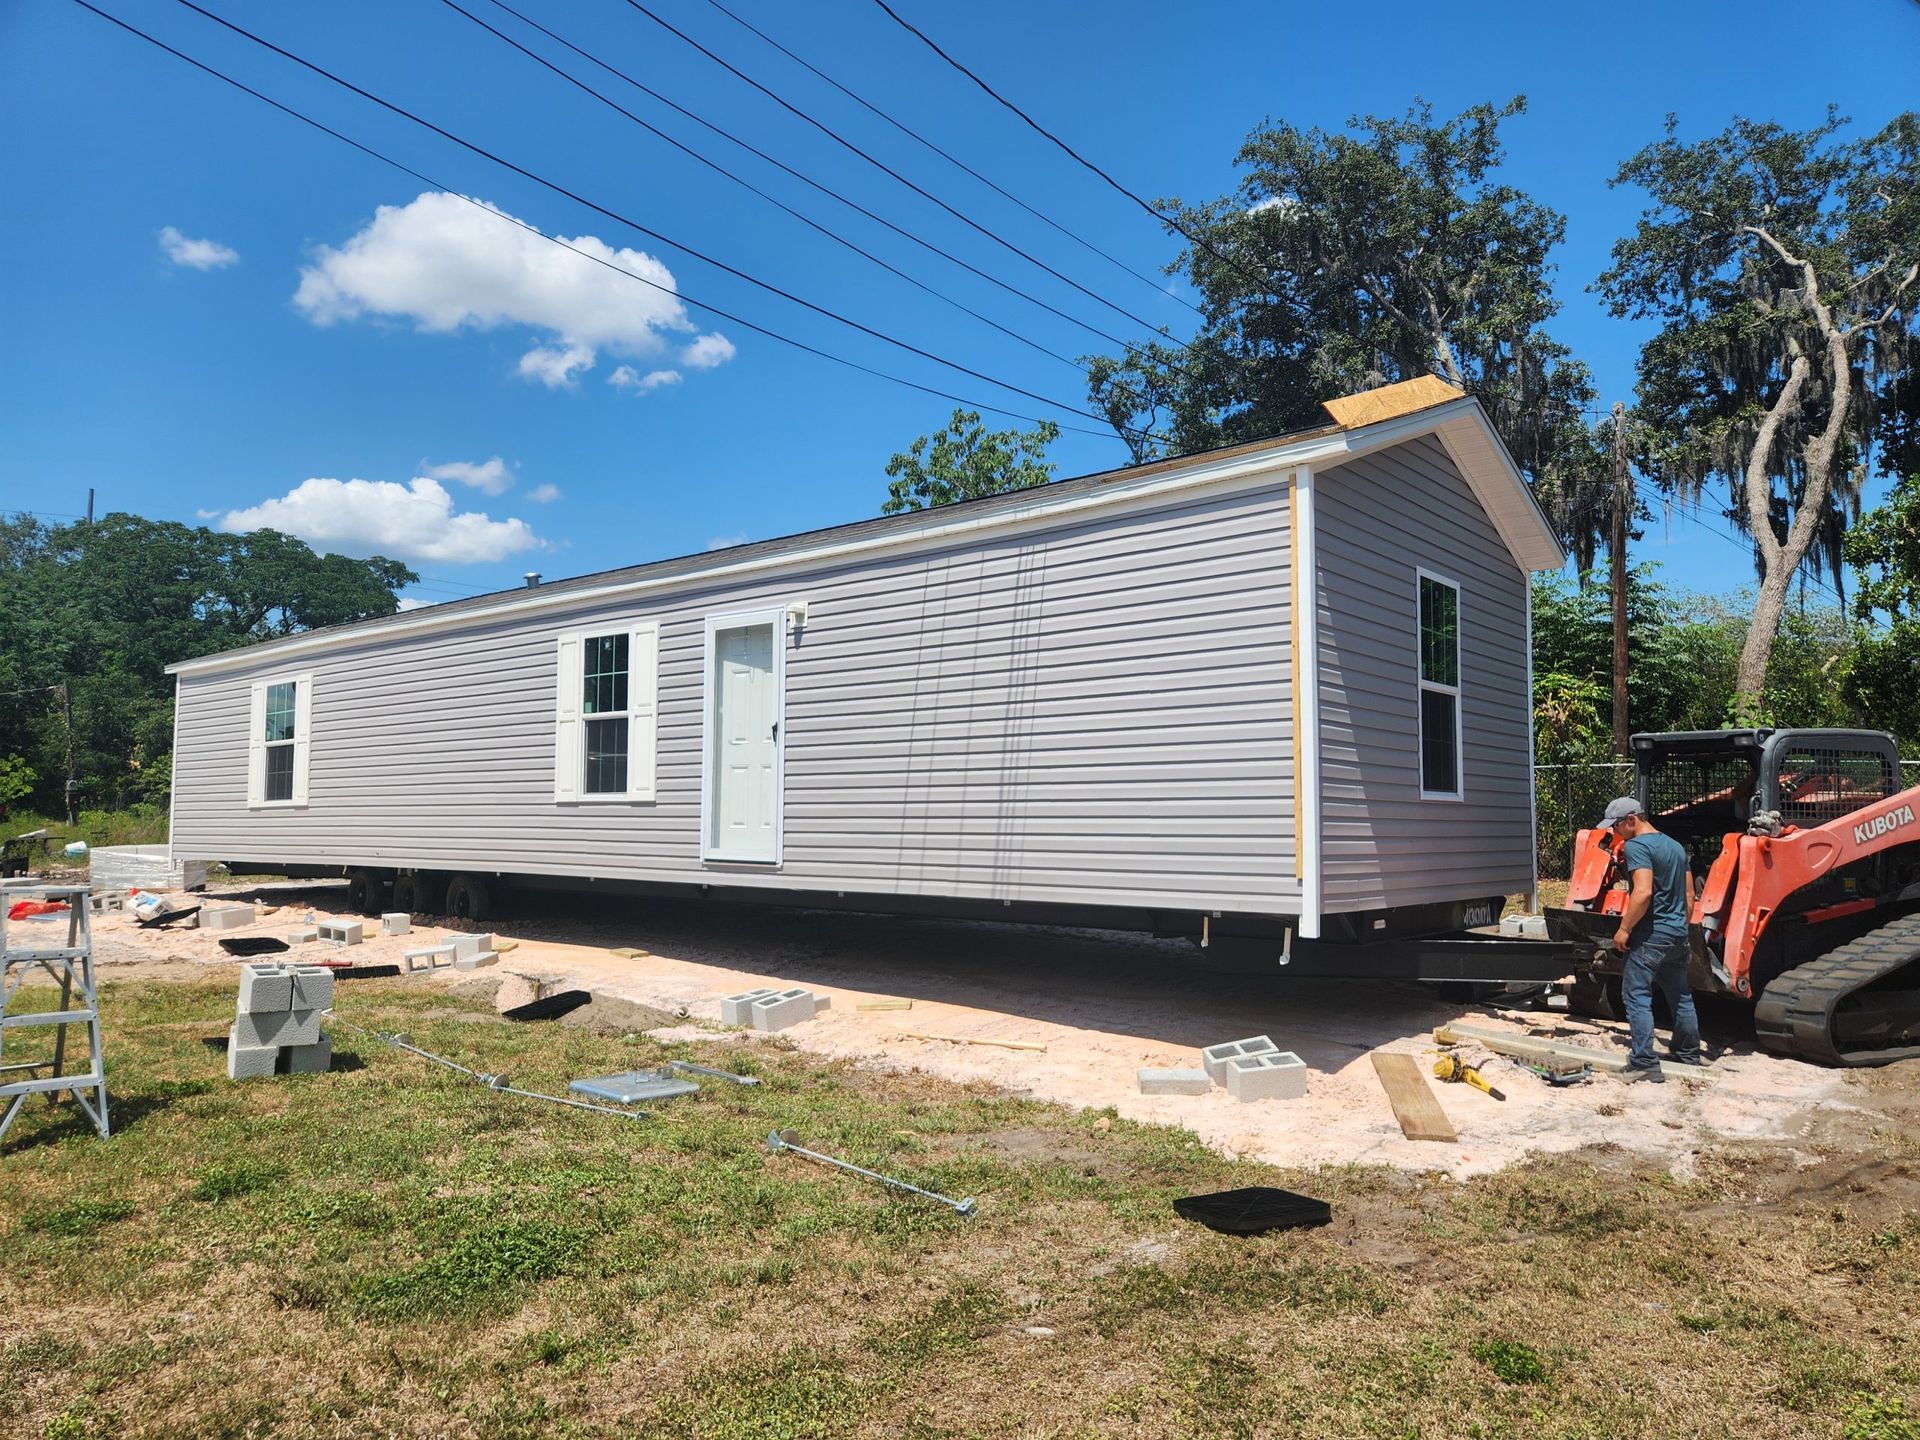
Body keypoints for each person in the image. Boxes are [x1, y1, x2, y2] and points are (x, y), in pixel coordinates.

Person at [1599, 796, 1703, 1081]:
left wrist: (1624, 929)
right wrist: (1678, 925)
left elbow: (1642, 892)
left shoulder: (1637, 846)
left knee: (1636, 994)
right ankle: (1688, 1055)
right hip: (1677, 934)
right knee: (1680, 995)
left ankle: (1644, 1062)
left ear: (1631, 819)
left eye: (1617, 827)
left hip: (1651, 936)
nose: (1615, 833)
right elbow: (1689, 895)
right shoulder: (1675, 846)